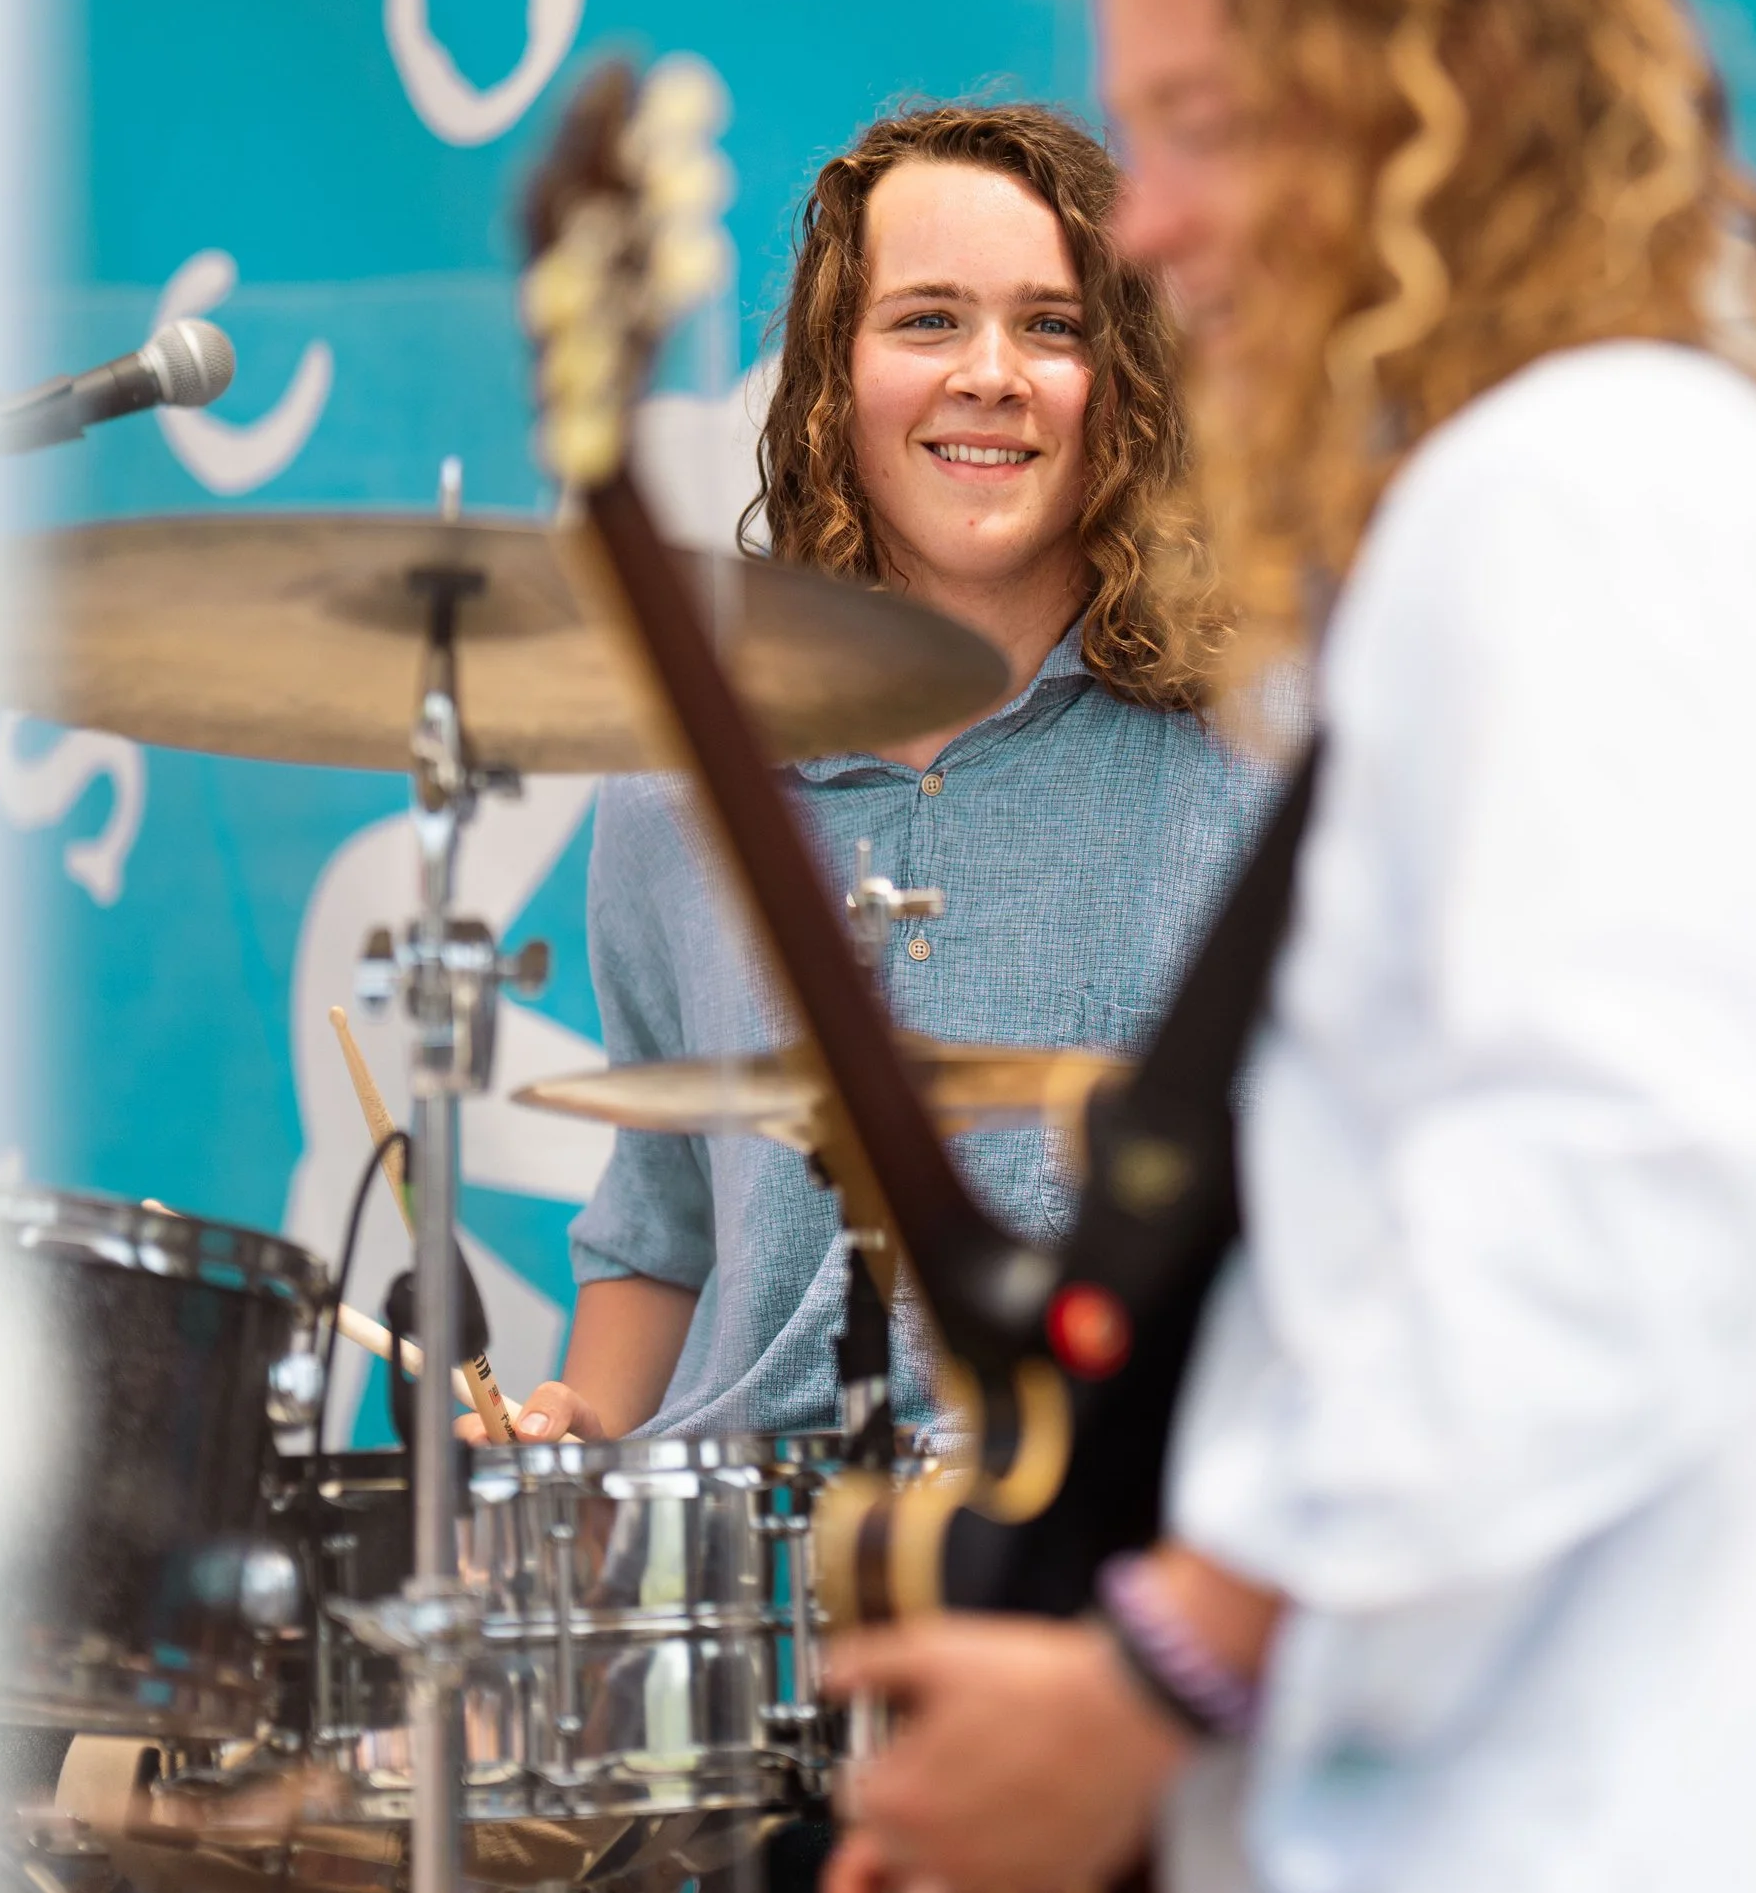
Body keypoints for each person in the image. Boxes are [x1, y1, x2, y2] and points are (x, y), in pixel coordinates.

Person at [820, 0, 1756, 1893]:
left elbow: (1591, 1187)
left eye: (1204, 129)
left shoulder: (1567, 500)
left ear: (1443, 98)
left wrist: (1159, 1664)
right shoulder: (1639, 489)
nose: (1155, 225)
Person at [485, 99, 1271, 1443]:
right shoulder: (679, 787)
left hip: (1098, 1541)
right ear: (834, 382)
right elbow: (660, 1223)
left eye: (1052, 323)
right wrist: (565, 1466)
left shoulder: (1255, 757)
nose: (991, 372)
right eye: (926, 320)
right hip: (759, 1588)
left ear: (1123, 378)